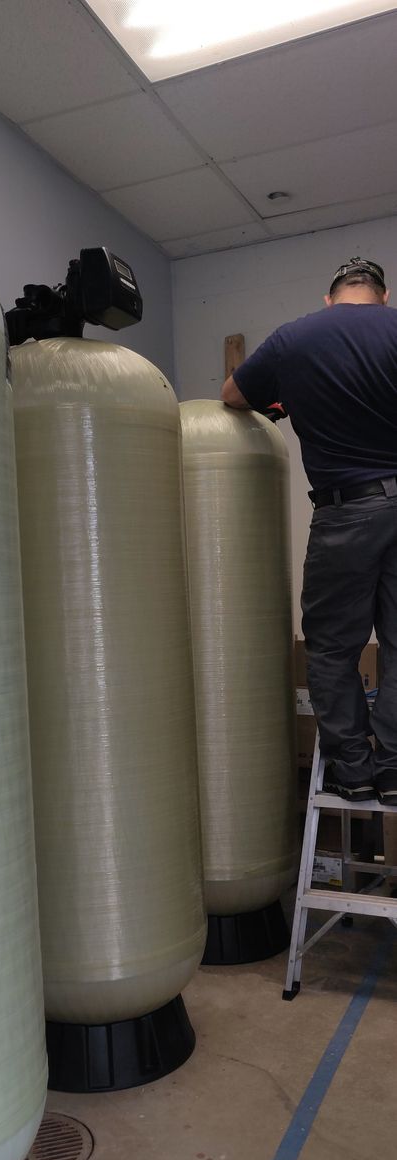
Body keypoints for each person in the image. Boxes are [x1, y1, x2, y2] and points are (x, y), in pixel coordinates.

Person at [221, 257, 397, 806]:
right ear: (383, 295)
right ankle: (395, 770)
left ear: (330, 298)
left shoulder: (294, 337)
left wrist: (288, 398)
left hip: (346, 512)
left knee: (333, 649)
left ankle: (354, 771)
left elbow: (231, 396)